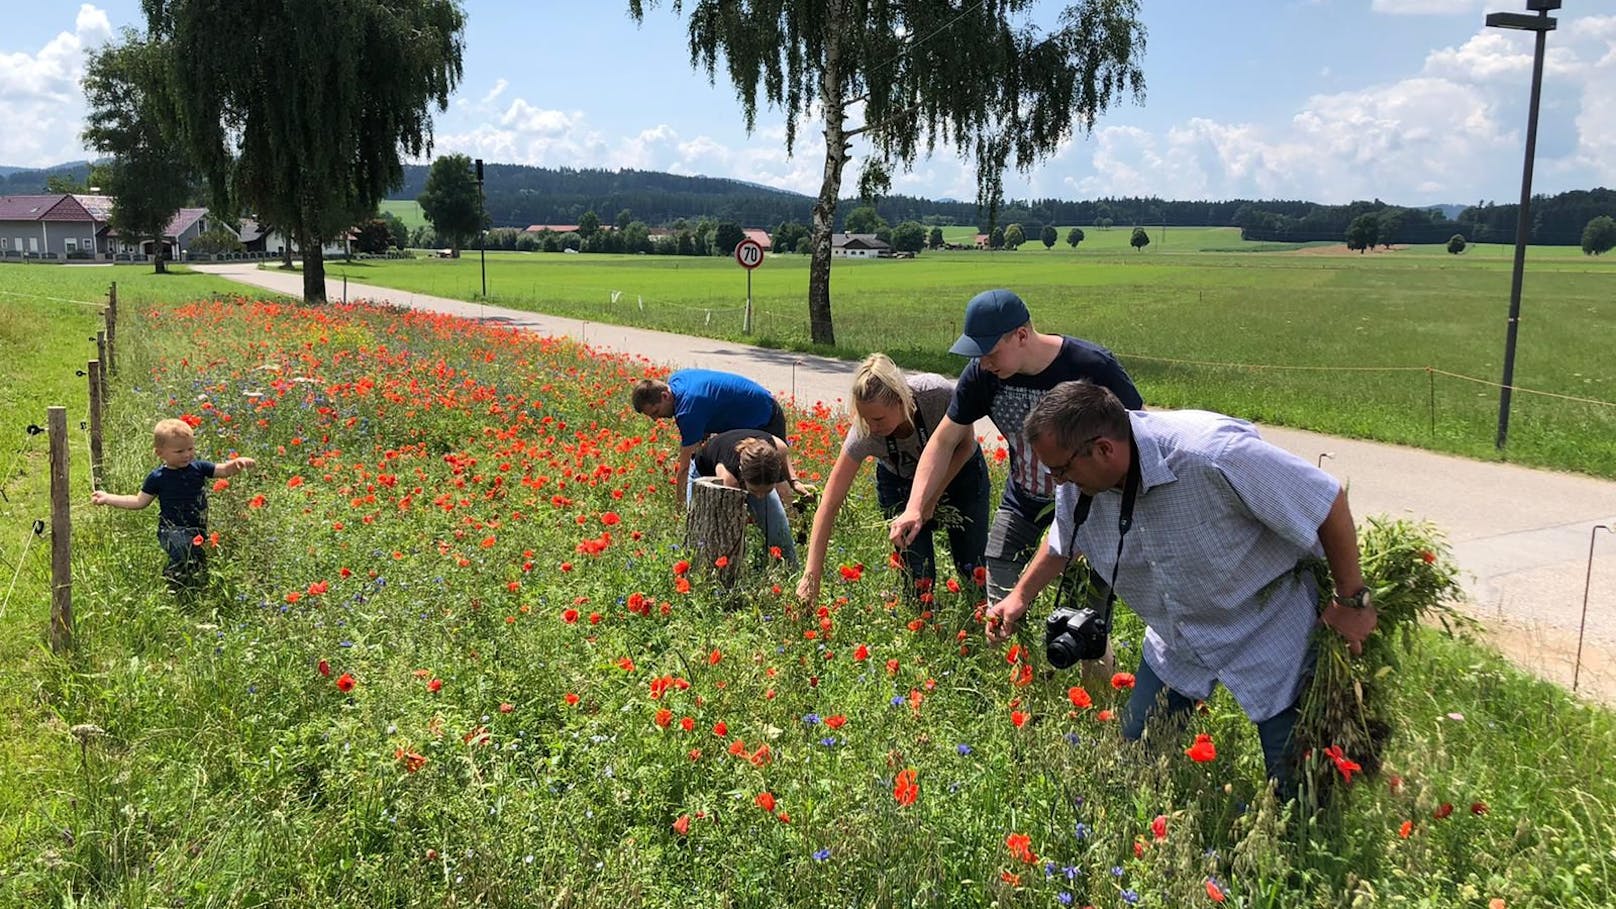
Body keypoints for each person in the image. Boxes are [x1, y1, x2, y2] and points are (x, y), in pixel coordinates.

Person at [985, 381, 1376, 792]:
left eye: (1062, 470)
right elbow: (1064, 540)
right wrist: (1019, 596)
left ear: (1103, 449)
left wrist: (1351, 600)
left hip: (1271, 631)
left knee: (1298, 791)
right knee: (1137, 761)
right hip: (1179, 635)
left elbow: (1325, 499)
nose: (1058, 482)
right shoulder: (1081, 484)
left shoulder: (1211, 454)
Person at [889, 289, 1143, 610]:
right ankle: (1010, 651)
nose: (983, 362)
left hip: (1090, 505)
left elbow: (1140, 436)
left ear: (1021, 335)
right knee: (998, 572)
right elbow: (944, 440)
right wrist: (915, 506)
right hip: (1023, 498)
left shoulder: (1091, 367)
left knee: (1081, 621)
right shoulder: (983, 374)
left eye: (990, 352)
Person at [797, 354, 989, 604]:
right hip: (898, 482)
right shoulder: (863, 434)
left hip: (959, 473)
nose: (872, 427)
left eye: (878, 419)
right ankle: (923, 619)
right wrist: (811, 576)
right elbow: (829, 503)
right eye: (865, 419)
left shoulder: (936, 394)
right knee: (917, 574)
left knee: (972, 561)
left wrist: (930, 498)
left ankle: (982, 613)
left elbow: (965, 446)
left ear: (900, 400)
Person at [90, 417, 256, 587]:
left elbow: (223, 470)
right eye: (179, 451)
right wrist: (108, 498)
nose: (187, 455)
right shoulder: (158, 478)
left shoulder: (199, 467)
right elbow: (138, 501)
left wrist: (236, 464)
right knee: (183, 554)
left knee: (197, 560)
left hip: (197, 528)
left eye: (190, 448)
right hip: (171, 530)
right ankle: (172, 585)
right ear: (160, 453)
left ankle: (192, 587)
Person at [631, 368, 787, 506]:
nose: (655, 419)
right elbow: (709, 404)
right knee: (741, 473)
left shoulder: (687, 411)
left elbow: (685, 468)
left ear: (665, 395)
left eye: (656, 412)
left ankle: (790, 521)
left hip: (765, 417)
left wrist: (679, 506)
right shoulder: (677, 380)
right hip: (751, 409)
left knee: (770, 476)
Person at [690, 429, 810, 566]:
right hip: (703, 474)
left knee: (778, 528)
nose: (759, 497)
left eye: (767, 491)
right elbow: (730, 521)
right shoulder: (729, 479)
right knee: (713, 535)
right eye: (755, 491)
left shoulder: (777, 448)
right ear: (742, 474)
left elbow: (783, 453)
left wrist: (794, 482)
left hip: (753, 474)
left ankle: (791, 568)